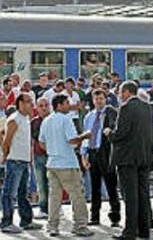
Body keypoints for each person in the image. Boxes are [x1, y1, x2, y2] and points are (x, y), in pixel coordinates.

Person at [105, 81, 153, 240]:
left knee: (130, 196)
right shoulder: (147, 107)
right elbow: (151, 132)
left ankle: (129, 232)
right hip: (144, 157)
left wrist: (109, 133)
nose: (119, 95)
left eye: (120, 92)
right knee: (143, 194)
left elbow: (121, 133)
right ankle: (144, 230)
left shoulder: (126, 108)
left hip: (127, 159)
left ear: (127, 92)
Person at [39, 94, 94, 237]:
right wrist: (85, 136)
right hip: (67, 163)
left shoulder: (46, 120)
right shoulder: (66, 119)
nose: (69, 105)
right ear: (59, 105)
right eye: (66, 103)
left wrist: (53, 150)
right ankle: (80, 226)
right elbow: (72, 141)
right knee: (77, 195)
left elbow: (41, 142)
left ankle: (52, 227)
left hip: (52, 163)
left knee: (54, 197)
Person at [1, 93, 42, 234]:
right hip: (15, 161)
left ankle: (26, 220)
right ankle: (6, 223)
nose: (32, 104)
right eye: (28, 101)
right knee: (9, 193)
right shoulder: (14, 119)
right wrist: (6, 156)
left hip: (24, 162)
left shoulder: (25, 119)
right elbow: (6, 140)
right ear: (20, 103)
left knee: (23, 193)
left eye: (32, 101)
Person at [81, 88, 121, 227]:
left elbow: (115, 127)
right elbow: (85, 137)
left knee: (111, 186)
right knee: (95, 187)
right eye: (96, 99)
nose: (98, 101)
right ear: (93, 100)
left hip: (105, 153)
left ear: (105, 99)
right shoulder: (89, 116)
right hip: (93, 153)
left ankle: (115, 217)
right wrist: (84, 154)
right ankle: (95, 217)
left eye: (101, 99)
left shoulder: (110, 113)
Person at [31, 97, 51, 219]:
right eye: (41, 106)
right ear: (37, 108)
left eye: (46, 105)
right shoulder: (34, 123)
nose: (44, 108)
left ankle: (55, 207)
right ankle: (43, 208)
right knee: (41, 184)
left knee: (55, 185)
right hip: (39, 157)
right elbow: (32, 141)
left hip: (53, 156)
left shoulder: (54, 120)